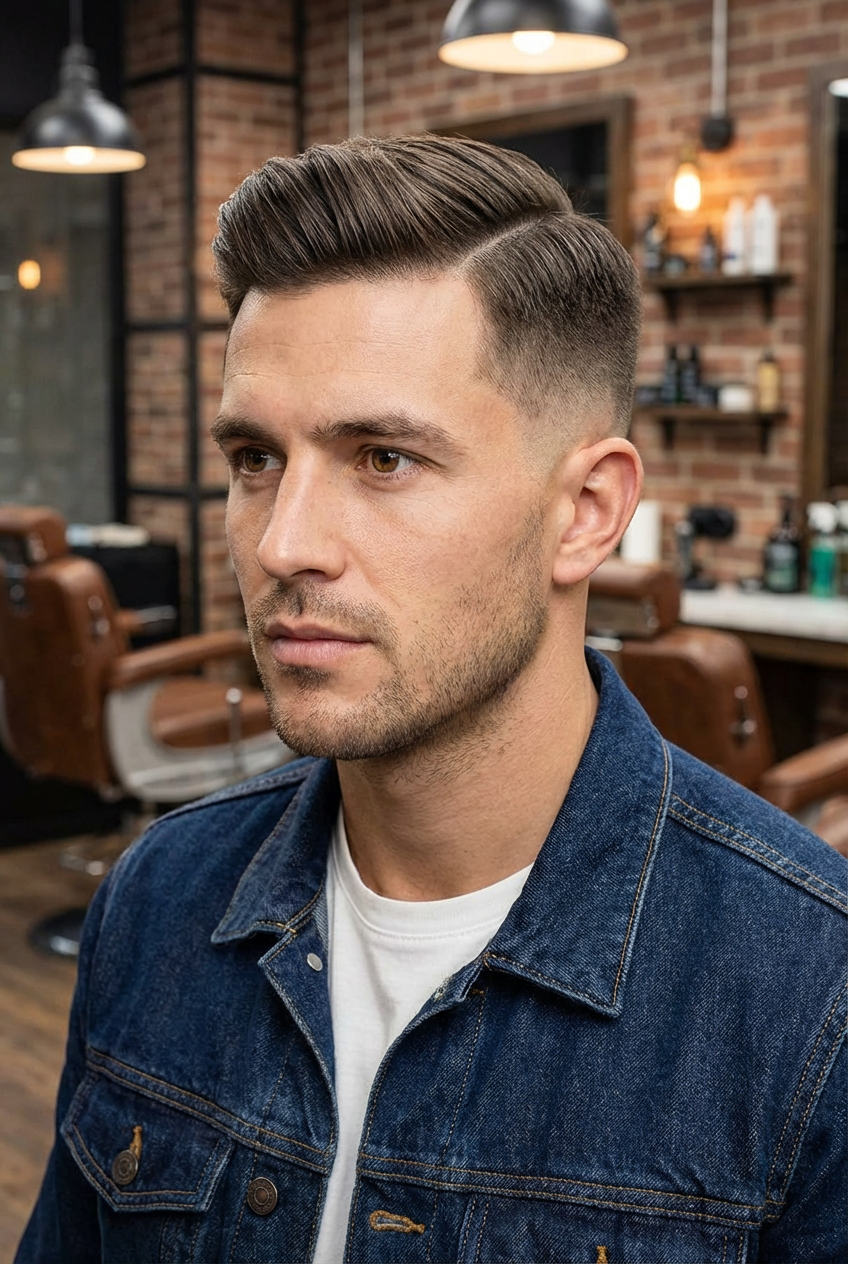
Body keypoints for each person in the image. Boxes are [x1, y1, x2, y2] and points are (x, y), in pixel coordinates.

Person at [18, 136, 846, 1264]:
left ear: (586, 512)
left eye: (383, 458)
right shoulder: (157, 903)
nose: (281, 542)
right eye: (255, 457)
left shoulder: (810, 995)